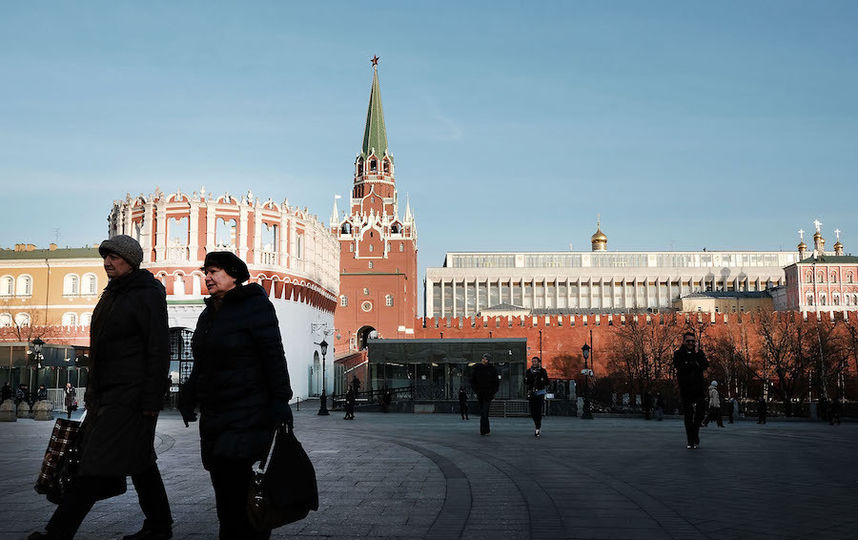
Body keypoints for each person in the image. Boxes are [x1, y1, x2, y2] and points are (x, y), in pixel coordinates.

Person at [30, 234, 173, 540]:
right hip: (107, 395)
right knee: (142, 464)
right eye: (105, 257)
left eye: (114, 257)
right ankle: (160, 527)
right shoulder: (113, 294)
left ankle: (57, 533)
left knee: (92, 465)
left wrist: (151, 398)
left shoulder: (145, 294)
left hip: (130, 396)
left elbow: (158, 349)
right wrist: (93, 392)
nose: (107, 262)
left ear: (131, 260)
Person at [178, 251, 292, 540]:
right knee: (222, 485)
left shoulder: (254, 307)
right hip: (216, 413)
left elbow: (273, 354)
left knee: (238, 485)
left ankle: (248, 533)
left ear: (233, 275)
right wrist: (188, 393)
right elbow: (201, 360)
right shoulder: (208, 314)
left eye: (214, 271)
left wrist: (281, 400)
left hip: (247, 408)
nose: (207, 277)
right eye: (206, 272)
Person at [673, 332, 709, 449]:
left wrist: (697, 355)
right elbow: (680, 367)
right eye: (688, 341)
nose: (691, 343)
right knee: (688, 416)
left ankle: (695, 433)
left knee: (700, 414)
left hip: (698, 389)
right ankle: (690, 440)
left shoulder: (698, 353)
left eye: (693, 341)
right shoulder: (678, 354)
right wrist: (694, 364)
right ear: (684, 341)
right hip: (686, 389)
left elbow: (704, 365)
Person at [470, 353, 499, 436]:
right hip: (480, 393)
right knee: (483, 412)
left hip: (488, 393)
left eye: (486, 359)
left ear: (488, 360)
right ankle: (485, 429)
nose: (484, 360)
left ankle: (484, 430)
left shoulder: (492, 369)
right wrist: (475, 391)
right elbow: (472, 380)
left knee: (484, 412)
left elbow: (496, 382)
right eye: (483, 358)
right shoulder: (477, 368)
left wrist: (493, 392)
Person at [525, 356, 549, 437]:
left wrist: (542, 381)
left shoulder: (542, 371)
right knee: (532, 411)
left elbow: (547, 382)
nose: (534, 363)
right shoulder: (529, 371)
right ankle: (536, 424)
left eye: (535, 361)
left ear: (539, 362)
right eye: (533, 361)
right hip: (531, 393)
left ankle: (537, 427)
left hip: (540, 393)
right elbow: (526, 382)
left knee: (538, 410)